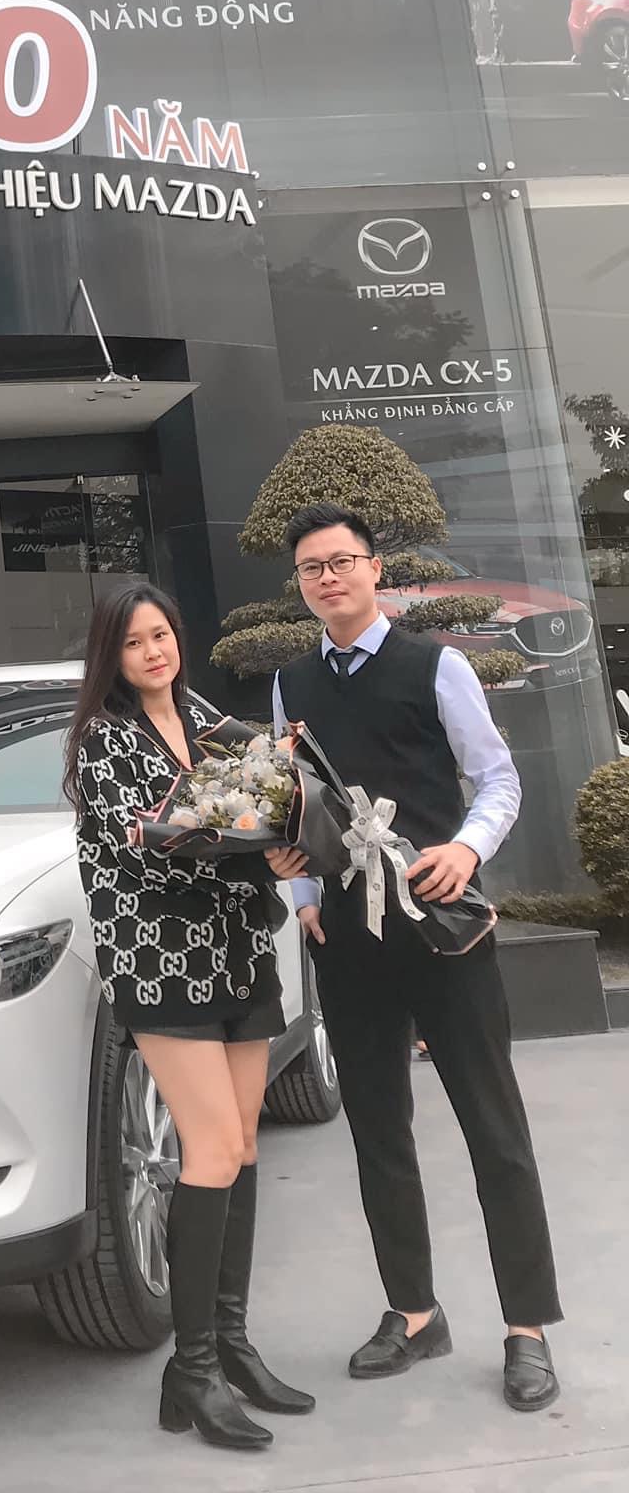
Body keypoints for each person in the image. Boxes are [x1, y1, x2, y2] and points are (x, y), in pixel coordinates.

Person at [273, 503, 562, 1413]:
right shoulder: (290, 682)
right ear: (300, 583)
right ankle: (413, 1312)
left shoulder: (437, 665)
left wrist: (468, 849)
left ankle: (527, 1328)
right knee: (377, 1132)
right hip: (349, 940)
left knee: (493, 1129)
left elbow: (499, 778)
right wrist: (304, 900)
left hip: (444, 929)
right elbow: (293, 806)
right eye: (312, 567)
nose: (328, 577)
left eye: (342, 561)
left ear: (374, 568)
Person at [67, 583, 313, 1453]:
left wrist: (284, 836)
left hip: (238, 954)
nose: (153, 651)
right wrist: (251, 847)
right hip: (161, 961)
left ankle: (230, 1344)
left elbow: (254, 814)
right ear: (112, 656)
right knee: (207, 1153)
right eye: (134, 642)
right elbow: (154, 845)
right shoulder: (102, 741)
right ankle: (193, 1367)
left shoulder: (213, 723)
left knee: (241, 1149)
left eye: (162, 634)